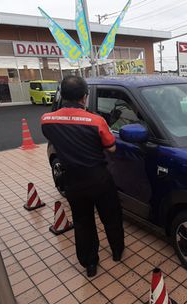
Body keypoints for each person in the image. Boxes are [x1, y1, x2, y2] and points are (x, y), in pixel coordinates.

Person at [41, 76, 124, 277]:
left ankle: (90, 264)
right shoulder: (97, 121)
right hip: (99, 179)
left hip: (73, 181)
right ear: (84, 97)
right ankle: (116, 252)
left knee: (82, 222)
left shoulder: (47, 120)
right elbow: (111, 147)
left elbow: (56, 139)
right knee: (111, 217)